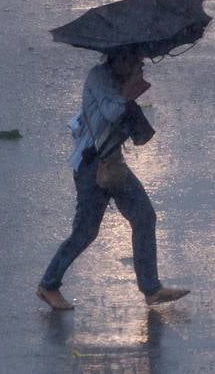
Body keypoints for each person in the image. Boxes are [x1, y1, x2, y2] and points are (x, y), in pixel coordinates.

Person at [37, 49, 190, 310]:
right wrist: (128, 90)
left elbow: (140, 135)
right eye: (131, 60)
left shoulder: (120, 79)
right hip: (91, 164)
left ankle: (151, 289)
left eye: (138, 62)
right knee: (86, 231)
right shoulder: (98, 78)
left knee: (143, 216)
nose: (135, 65)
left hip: (113, 163)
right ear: (116, 59)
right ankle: (48, 285)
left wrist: (133, 90)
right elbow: (110, 112)